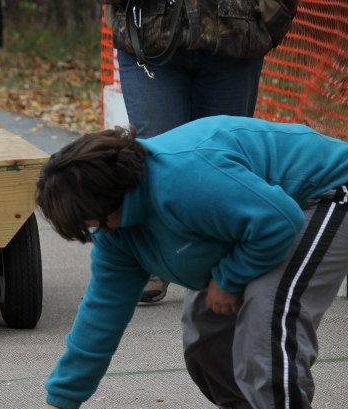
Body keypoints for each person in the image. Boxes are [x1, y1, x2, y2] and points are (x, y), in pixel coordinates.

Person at [21, 116, 348, 409]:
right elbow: (101, 313)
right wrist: (62, 399)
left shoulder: (184, 179)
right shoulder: (117, 233)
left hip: (325, 195)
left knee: (269, 317)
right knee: (204, 325)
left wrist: (229, 279)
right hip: (267, 214)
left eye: (92, 219)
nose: (95, 230)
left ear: (113, 196)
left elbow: (278, 221)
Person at [106, 0, 298, 304]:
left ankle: (227, 266)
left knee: (224, 159)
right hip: (148, 32)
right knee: (157, 154)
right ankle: (155, 258)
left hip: (235, 35)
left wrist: (272, 16)